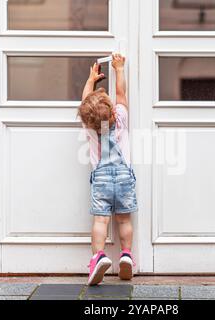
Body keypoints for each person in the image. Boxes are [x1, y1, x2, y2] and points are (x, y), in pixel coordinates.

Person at [78, 53, 138, 286]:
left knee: (101, 222)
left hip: (101, 179)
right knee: (123, 220)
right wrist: (119, 68)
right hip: (124, 178)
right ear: (113, 111)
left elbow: (86, 102)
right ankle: (126, 255)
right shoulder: (120, 118)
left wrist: (91, 80)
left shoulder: (91, 127)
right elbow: (121, 94)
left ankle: (99, 257)